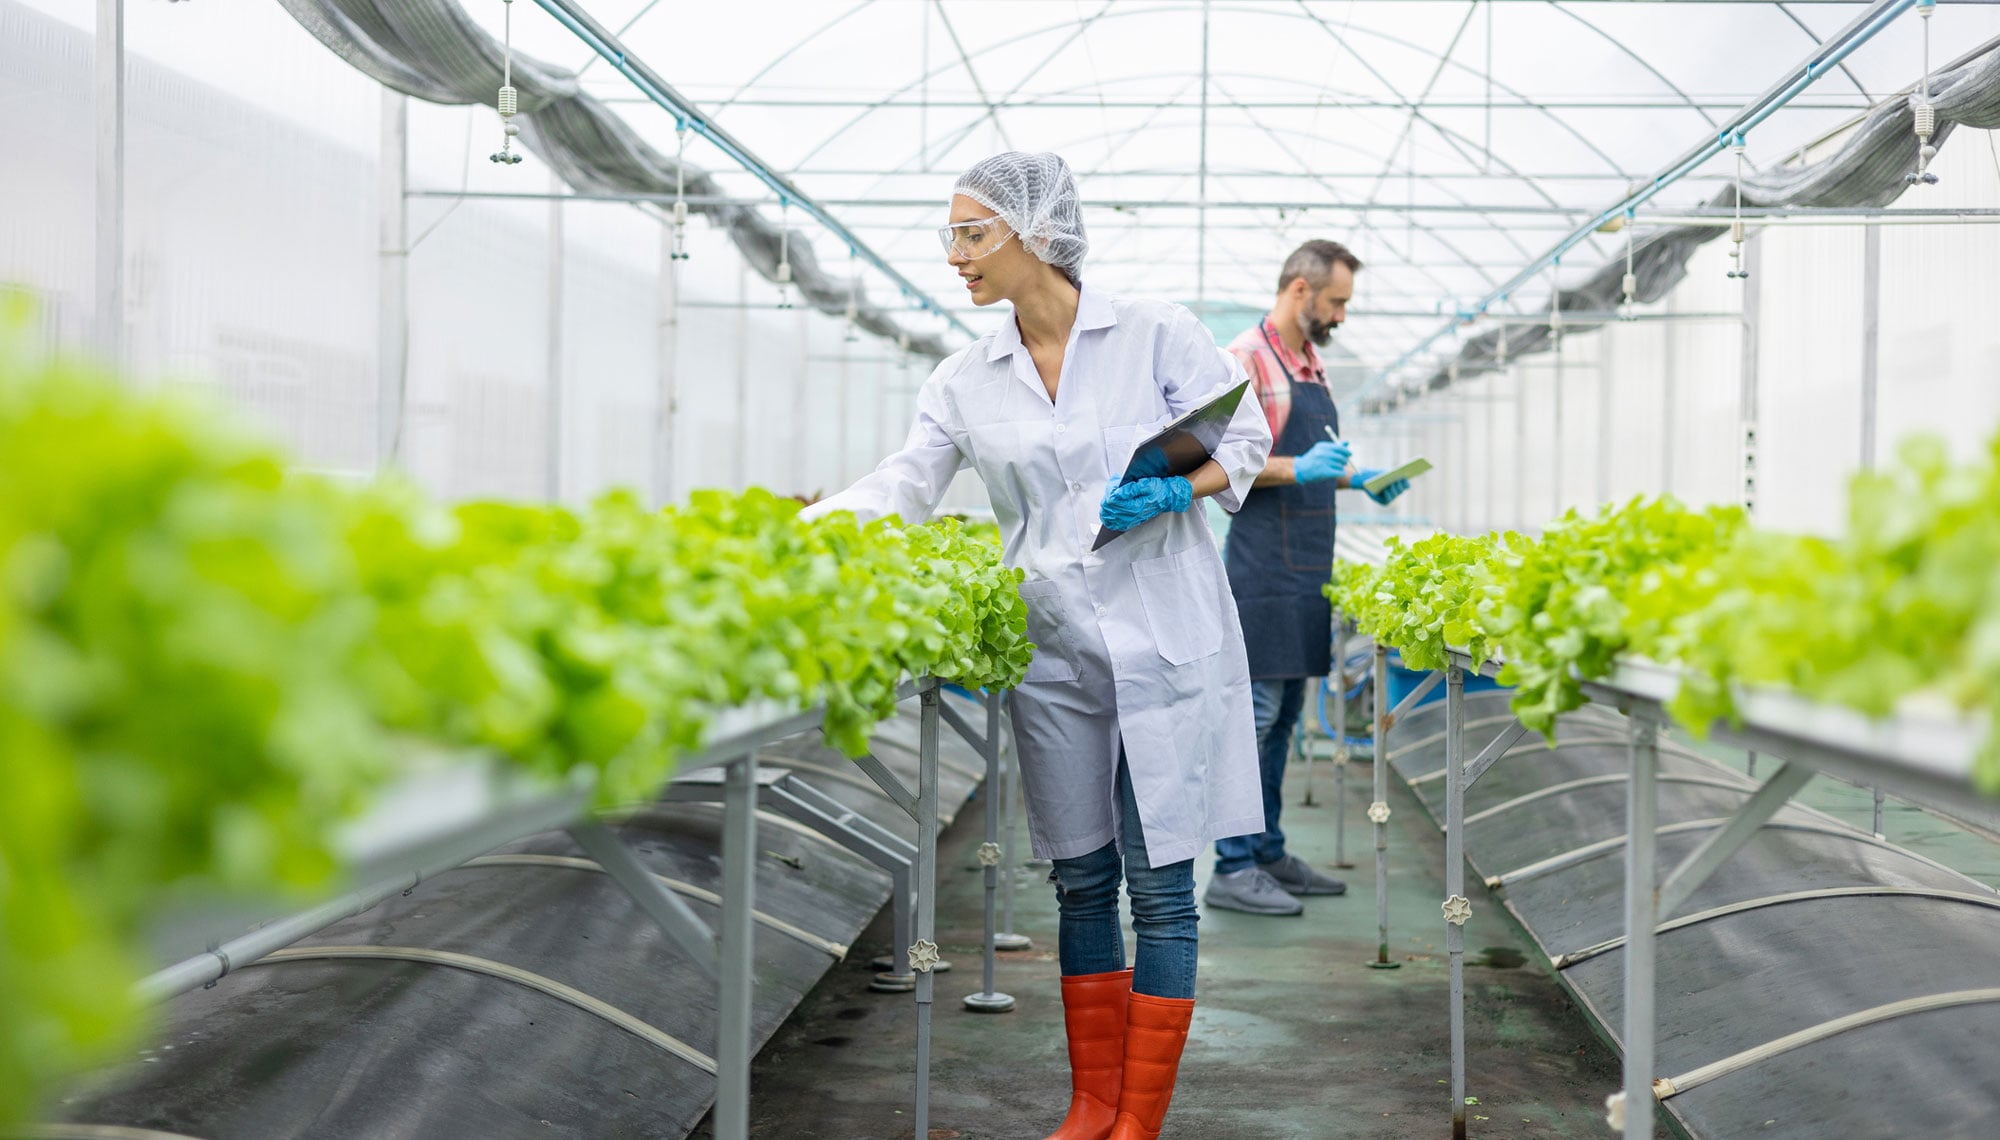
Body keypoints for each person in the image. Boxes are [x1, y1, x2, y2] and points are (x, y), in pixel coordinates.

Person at [802, 152, 1271, 1140]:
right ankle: (1087, 1104)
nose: (955, 257)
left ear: (1034, 233)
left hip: (1165, 641)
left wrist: (1176, 490)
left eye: (972, 234)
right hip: (1052, 648)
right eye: (951, 236)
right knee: (1082, 879)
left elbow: (1245, 439)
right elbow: (906, 483)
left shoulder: (1153, 335)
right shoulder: (965, 378)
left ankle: (1135, 1121)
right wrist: (803, 534)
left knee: (1160, 884)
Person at [1202, 239, 1411, 917]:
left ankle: (1266, 850)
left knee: (1286, 717)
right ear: (1300, 290)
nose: (1342, 316)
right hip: (1261, 566)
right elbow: (1216, 466)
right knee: (1253, 718)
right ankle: (1231, 868)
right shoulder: (1245, 360)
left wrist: (1356, 479)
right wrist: (1302, 468)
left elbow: (1308, 461)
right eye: (1337, 301)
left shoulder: (1309, 364)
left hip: (1306, 564)